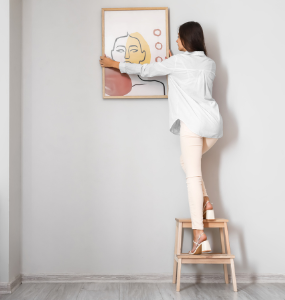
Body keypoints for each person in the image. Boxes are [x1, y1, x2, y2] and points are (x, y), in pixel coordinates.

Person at [99, 21, 223, 255]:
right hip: (213, 124)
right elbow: (188, 77)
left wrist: (114, 64)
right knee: (187, 163)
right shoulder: (209, 64)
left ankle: (198, 233)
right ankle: (207, 202)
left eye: (178, 38)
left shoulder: (177, 63)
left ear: (186, 40)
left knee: (192, 175)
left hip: (192, 125)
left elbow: (146, 70)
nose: (176, 41)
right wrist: (173, 61)